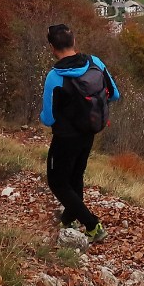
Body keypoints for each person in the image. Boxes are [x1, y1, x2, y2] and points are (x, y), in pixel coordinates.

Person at [40, 23, 120, 243]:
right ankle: (69, 219)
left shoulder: (55, 77)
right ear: (74, 42)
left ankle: (93, 226)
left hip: (65, 138)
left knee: (57, 182)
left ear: (52, 48)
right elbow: (114, 95)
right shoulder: (95, 63)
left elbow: (48, 119)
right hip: (89, 132)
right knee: (75, 176)